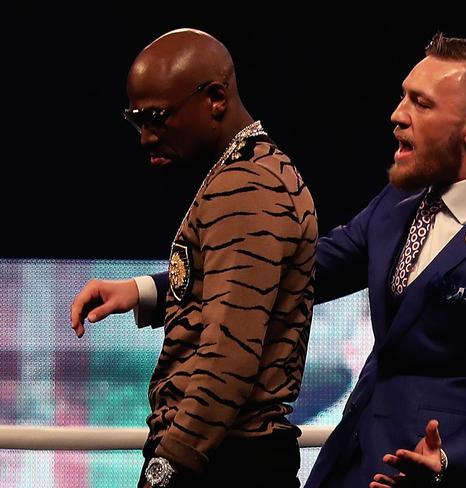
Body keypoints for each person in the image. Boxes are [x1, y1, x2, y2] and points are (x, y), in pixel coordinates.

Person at [305, 33, 466, 487]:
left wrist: (445, 460)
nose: (397, 116)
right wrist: (153, 288)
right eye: (403, 97)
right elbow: (301, 272)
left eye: (420, 103)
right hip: (350, 461)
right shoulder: (398, 200)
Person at [70, 28, 317, 488]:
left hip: (223, 460)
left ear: (216, 98)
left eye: (157, 118)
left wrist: (167, 469)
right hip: (225, 454)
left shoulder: (247, 185)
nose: (145, 137)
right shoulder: (251, 172)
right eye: (135, 120)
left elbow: (229, 358)